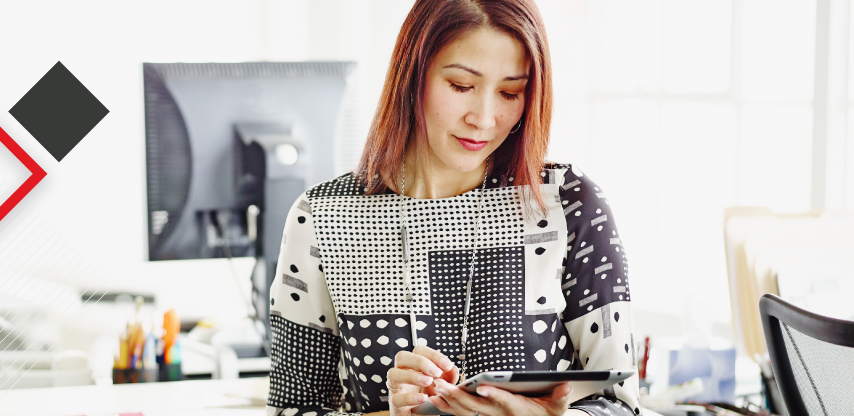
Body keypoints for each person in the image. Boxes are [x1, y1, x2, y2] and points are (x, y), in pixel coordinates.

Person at [265, 0, 641, 415]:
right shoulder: (323, 216)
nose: (484, 118)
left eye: (510, 92)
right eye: (461, 86)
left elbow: (621, 405)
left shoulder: (567, 204)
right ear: (413, 75)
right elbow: (292, 409)